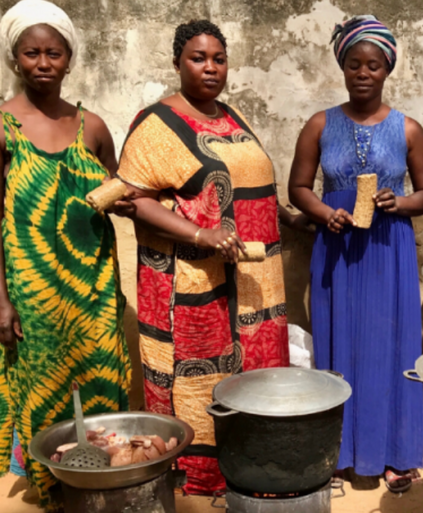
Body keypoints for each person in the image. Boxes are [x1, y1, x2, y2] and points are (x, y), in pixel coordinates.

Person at [116, 19, 304, 495]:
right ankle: (202, 474)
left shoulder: (231, 114)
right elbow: (132, 199)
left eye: (218, 59)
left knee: (252, 377)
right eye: (198, 58)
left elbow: (250, 183)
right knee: (202, 381)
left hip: (255, 280)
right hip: (195, 285)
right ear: (177, 62)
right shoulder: (156, 123)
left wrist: (289, 217)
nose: (210, 68)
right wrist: (201, 233)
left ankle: (248, 464)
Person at [0, 0, 131, 508]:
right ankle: (52, 483)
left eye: (54, 53)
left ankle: (108, 475)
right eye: (31, 53)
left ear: (69, 59)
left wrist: (132, 199)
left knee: (103, 375)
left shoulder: (94, 127)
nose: (43, 63)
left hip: (95, 285)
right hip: (33, 290)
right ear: (15, 59)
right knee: (43, 383)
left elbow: (120, 195)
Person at [288, 15, 423, 493]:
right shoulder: (320, 124)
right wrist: (320, 212)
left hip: (386, 251)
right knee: (339, 345)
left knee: (390, 346)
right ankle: (341, 452)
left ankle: (394, 452)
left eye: (373, 65)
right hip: (336, 249)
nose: (363, 73)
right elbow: (298, 187)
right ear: (343, 67)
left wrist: (402, 201)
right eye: (354, 63)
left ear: (386, 70)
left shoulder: (408, 129)